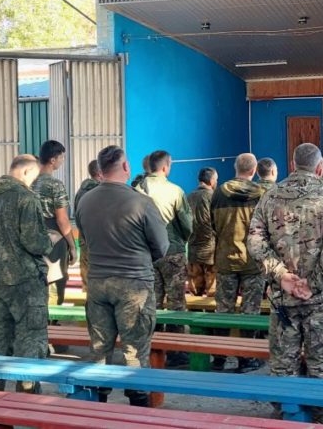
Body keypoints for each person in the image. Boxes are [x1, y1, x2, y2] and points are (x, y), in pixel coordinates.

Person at [247, 143, 323, 424]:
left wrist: (281, 275)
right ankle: (322, 420)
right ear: (320, 167)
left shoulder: (270, 196)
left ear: (292, 165)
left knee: (283, 368)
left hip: (283, 299)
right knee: (321, 368)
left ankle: (287, 419)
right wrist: (314, 284)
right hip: (320, 301)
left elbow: (255, 241)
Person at [76, 146, 169, 406]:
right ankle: (138, 405)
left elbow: (85, 238)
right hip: (134, 283)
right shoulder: (141, 202)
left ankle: (97, 405)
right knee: (135, 350)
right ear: (126, 167)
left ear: (100, 169)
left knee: (99, 348)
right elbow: (161, 246)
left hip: (98, 282)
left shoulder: (85, 201)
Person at [0, 154, 52, 394]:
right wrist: (49, 242)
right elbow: (34, 241)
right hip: (25, 280)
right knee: (30, 339)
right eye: (34, 177)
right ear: (26, 172)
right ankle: (26, 397)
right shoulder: (26, 198)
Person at [211, 153, 266, 373]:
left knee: (223, 310)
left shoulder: (219, 193)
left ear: (236, 167)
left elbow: (212, 224)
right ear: (253, 170)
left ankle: (219, 356)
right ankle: (246, 357)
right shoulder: (262, 195)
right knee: (250, 311)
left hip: (226, 258)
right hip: (253, 261)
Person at [137, 150, 193, 367]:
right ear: (165, 167)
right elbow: (186, 223)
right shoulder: (175, 191)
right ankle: (177, 351)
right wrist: (181, 240)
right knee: (176, 302)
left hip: (146, 254)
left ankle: (154, 347)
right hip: (173, 252)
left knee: (152, 301)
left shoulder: (136, 189)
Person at [32, 140, 76, 308]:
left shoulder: (28, 183)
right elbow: (62, 220)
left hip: (31, 235)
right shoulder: (55, 185)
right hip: (54, 237)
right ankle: (52, 316)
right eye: (61, 157)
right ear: (52, 160)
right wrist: (72, 246)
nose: (62, 161)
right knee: (56, 279)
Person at [187, 167, 218, 297]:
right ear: (211, 180)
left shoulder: (189, 197)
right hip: (211, 250)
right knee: (212, 292)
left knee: (194, 293)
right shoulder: (213, 197)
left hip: (193, 250)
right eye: (216, 180)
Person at [74, 160, 104, 291]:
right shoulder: (101, 192)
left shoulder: (80, 191)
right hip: (100, 239)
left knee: (86, 269)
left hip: (84, 236)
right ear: (100, 173)